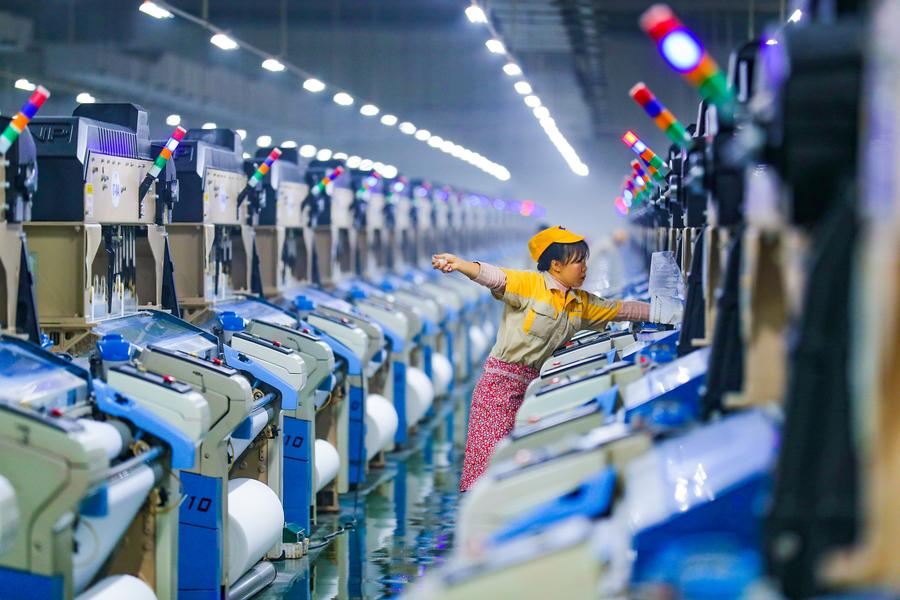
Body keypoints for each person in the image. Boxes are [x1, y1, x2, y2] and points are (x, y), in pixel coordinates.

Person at [432, 225, 682, 491]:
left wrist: (670, 312)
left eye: (585, 261)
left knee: (519, 464)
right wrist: (460, 264)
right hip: (499, 387)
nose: (584, 268)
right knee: (488, 469)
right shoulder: (530, 285)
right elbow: (495, 277)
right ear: (556, 265)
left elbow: (623, 310)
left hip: (533, 386)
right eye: (578, 262)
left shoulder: (581, 303)